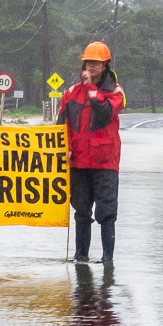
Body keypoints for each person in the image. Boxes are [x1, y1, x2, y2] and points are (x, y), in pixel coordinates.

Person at [57, 41, 125, 262]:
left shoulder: (116, 92)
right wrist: (65, 148)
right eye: (88, 62)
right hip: (78, 162)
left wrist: (91, 90)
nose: (91, 66)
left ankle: (107, 258)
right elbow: (62, 125)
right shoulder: (70, 93)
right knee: (81, 211)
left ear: (105, 65)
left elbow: (105, 113)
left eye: (96, 63)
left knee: (106, 212)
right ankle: (81, 256)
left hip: (105, 163)